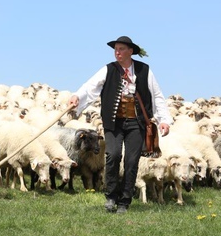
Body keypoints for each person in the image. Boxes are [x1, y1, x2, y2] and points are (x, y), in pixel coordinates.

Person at [68, 36, 172, 214]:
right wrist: (77, 96)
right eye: (116, 49)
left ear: (131, 51)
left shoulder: (144, 70)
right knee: (113, 155)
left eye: (122, 49)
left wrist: (164, 120)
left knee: (131, 162)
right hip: (113, 122)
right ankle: (111, 196)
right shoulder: (109, 69)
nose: (117, 52)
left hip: (136, 123)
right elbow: (90, 86)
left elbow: (157, 95)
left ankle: (125, 200)